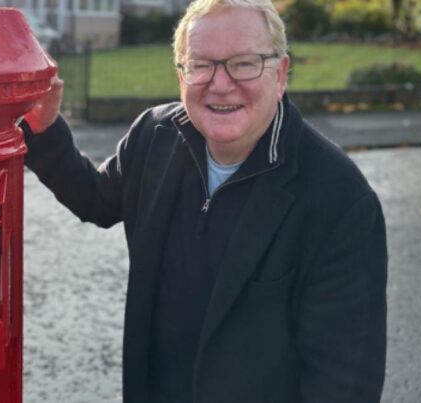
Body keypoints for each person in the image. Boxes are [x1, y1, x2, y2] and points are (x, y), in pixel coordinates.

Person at [22, 0, 388, 401]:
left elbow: (343, 381)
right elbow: (94, 197)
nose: (220, 83)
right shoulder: (154, 135)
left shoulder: (339, 198)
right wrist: (44, 128)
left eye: (245, 63)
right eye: (201, 64)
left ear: (280, 74)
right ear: (181, 73)